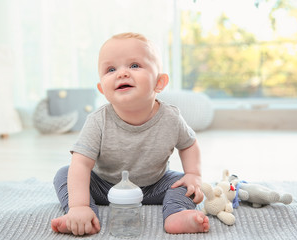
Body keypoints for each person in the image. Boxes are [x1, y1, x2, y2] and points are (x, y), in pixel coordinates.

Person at [50, 32, 210, 236]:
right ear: (102, 89)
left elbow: (189, 144)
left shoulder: (171, 117)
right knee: (65, 175)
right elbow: (81, 163)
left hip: (155, 185)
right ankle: (83, 214)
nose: (122, 73)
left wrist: (193, 174)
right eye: (111, 69)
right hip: (105, 187)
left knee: (184, 184)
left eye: (134, 65)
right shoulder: (98, 121)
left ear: (159, 82)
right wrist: (79, 205)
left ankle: (176, 214)